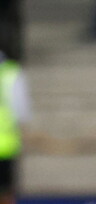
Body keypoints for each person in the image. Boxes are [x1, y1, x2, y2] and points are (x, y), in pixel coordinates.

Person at [0, 49, 31, 204]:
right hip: (7, 143)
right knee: (5, 191)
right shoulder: (12, 73)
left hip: (6, 145)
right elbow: (21, 107)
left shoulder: (11, 73)